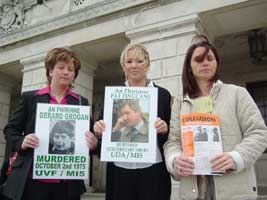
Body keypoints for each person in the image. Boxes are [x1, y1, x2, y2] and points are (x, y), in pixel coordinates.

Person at [164, 36, 267, 200]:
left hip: (233, 188)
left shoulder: (237, 93)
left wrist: (236, 157)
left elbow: (259, 132)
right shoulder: (179, 103)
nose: (205, 63)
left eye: (210, 58)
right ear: (189, 67)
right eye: (198, 59)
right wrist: (174, 160)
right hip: (194, 190)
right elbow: (173, 141)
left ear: (216, 63)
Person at [2, 47, 98, 200]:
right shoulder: (30, 98)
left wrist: (93, 144)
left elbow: (89, 139)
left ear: (74, 75)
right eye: (61, 67)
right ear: (50, 71)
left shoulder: (81, 102)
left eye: (71, 69)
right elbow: (10, 129)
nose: (66, 72)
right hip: (33, 180)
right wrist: (22, 141)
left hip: (67, 184)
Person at [94, 44, 172, 200]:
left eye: (139, 61)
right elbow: (101, 132)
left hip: (153, 170)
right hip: (120, 170)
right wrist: (98, 130)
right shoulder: (113, 96)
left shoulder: (162, 95)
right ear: (123, 66)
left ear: (147, 64)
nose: (134, 65)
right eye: (129, 61)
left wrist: (165, 129)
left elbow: (173, 134)